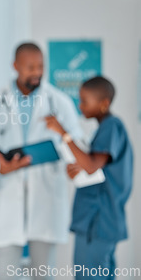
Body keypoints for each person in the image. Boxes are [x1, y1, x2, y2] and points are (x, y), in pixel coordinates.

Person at [0, 43, 82, 280]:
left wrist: (65, 146)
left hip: (45, 200)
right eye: (30, 67)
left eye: (41, 66)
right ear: (15, 66)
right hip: (6, 200)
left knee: (43, 275)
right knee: (5, 274)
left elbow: (77, 145)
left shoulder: (59, 102)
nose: (37, 72)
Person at [45, 76, 133, 280]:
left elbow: (92, 166)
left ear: (104, 103)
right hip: (103, 221)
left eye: (84, 101)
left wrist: (63, 133)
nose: (80, 105)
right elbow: (94, 166)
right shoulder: (107, 128)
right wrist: (80, 168)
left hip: (98, 222)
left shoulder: (112, 126)